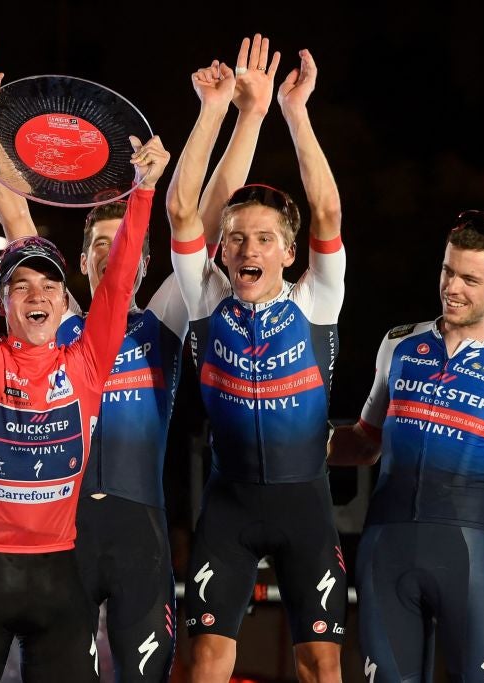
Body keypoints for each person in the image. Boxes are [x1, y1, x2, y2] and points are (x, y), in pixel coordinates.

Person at [0, 33, 194, 682]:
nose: (36, 292)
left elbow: (116, 287)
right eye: (20, 283)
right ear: (1, 302)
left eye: (48, 284)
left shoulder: (86, 359)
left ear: (64, 300)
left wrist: (143, 191)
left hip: (62, 575)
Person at [166, 44, 347, 683]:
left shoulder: (317, 298)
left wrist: (294, 111)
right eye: (236, 236)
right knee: (209, 660)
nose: (247, 248)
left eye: (264, 239)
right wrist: (214, 111)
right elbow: (181, 209)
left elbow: (327, 210)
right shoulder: (204, 295)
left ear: (289, 253)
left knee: (322, 665)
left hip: (306, 505)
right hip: (229, 505)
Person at [328, 210, 484, 682]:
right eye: (447, 271)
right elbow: (363, 443)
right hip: (385, 550)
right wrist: (288, 441)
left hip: (465, 554)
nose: (452, 287)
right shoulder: (398, 344)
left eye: (469, 279)